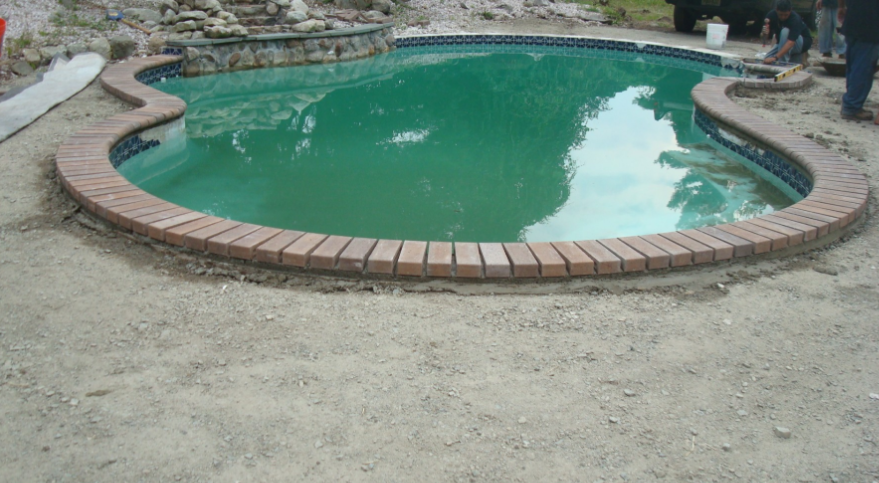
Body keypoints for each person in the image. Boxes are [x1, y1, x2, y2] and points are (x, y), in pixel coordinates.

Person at [838, 0, 879, 122]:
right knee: (863, 68)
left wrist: (841, 7)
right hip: (870, 26)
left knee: (854, 65)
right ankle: (851, 106)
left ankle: (850, 103)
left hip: (852, 21)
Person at [761, 0, 813, 66]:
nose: (783, 17)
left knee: (785, 31)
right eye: (781, 15)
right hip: (783, 43)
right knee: (766, 60)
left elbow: (790, 42)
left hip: (801, 43)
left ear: (790, 10)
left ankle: (782, 63)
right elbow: (764, 39)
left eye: (786, 15)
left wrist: (775, 57)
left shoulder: (795, 19)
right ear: (776, 10)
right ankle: (784, 59)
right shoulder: (771, 15)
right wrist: (765, 33)